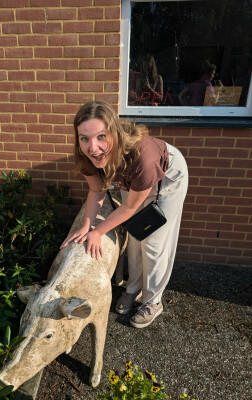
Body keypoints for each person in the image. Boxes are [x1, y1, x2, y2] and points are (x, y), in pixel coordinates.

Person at [60, 101, 188, 329]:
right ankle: (132, 289)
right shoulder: (87, 156)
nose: (93, 148)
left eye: (101, 136)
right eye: (84, 138)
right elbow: (96, 190)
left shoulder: (142, 156)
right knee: (134, 237)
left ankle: (153, 302)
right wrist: (85, 226)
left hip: (166, 179)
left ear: (114, 133)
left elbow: (129, 207)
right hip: (134, 180)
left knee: (153, 243)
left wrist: (98, 231)